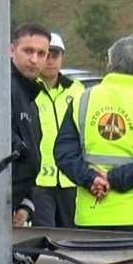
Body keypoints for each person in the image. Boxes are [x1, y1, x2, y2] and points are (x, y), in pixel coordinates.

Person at [53, 34, 133, 233]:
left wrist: (90, 178)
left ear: (110, 65)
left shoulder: (82, 100)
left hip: (91, 213)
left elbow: (64, 153)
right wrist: (114, 178)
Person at [33, 32, 84, 228]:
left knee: (71, 238)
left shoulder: (76, 90)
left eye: (56, 55)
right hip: (40, 182)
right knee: (43, 238)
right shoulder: (29, 90)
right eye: (47, 55)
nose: (50, 61)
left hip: (70, 180)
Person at [9, 24, 51, 227]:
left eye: (41, 53)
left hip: (12, 207)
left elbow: (31, 161)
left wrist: (26, 204)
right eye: (28, 51)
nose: (34, 60)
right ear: (11, 50)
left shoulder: (30, 97)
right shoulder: (2, 87)